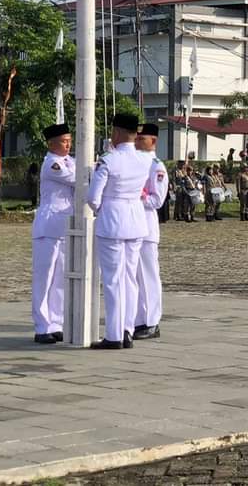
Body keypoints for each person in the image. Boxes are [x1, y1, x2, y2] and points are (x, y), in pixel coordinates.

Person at [88, 113, 152, 350]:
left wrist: (105, 208)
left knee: (113, 280)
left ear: (116, 133)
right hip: (136, 220)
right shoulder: (145, 160)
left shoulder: (108, 160)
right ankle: (127, 330)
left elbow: (93, 198)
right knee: (130, 279)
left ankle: (114, 334)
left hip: (113, 222)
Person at [30, 123, 75, 344]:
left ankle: (56, 323)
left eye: (69, 140)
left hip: (63, 226)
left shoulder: (70, 162)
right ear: (51, 144)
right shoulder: (52, 164)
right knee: (44, 277)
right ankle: (42, 325)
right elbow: (78, 179)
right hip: (48, 226)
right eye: (63, 141)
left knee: (59, 278)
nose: (68, 144)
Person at [134, 124, 168, 341]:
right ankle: (139, 320)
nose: (137, 141)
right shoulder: (135, 161)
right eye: (136, 137)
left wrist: (139, 197)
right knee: (136, 278)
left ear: (153, 141)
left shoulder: (156, 166)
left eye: (142, 138)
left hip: (146, 227)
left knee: (148, 276)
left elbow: (157, 200)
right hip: (133, 226)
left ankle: (152, 321)